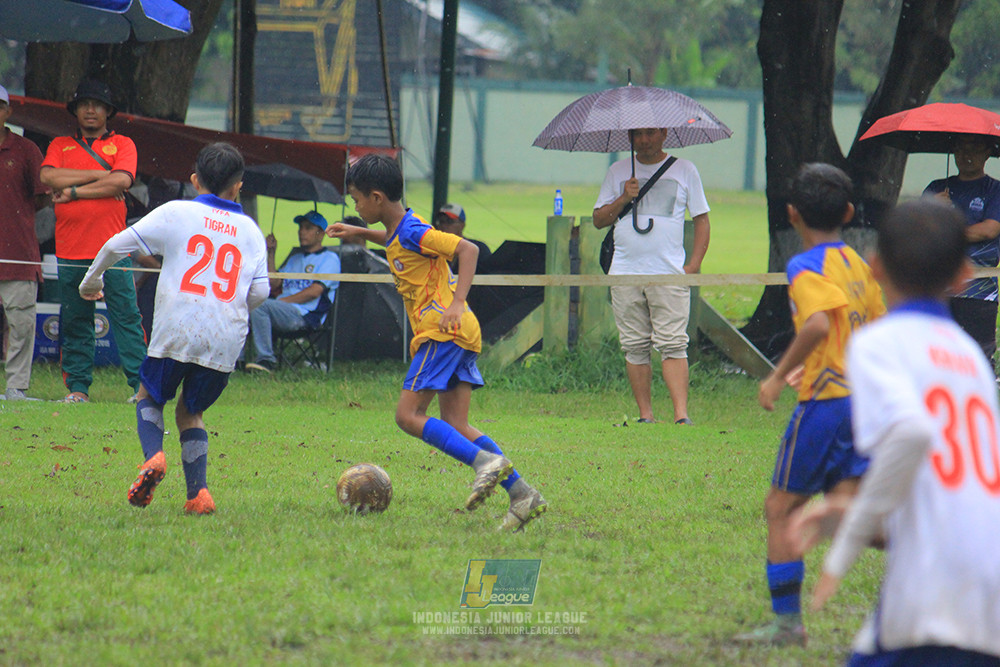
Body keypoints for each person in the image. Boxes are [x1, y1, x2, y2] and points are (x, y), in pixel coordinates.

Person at [792, 199, 1000, 666]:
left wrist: (840, 555)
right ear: (964, 275)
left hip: (934, 586)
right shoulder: (972, 359)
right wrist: (852, 515)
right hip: (988, 589)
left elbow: (911, 434)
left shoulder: (877, 344)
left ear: (876, 266)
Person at [326, 154, 547, 531]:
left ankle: (484, 464)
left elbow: (468, 250)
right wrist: (362, 233)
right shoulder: (402, 229)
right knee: (456, 423)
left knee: (407, 416)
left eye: (357, 200)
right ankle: (523, 493)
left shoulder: (413, 230)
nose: (356, 207)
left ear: (377, 198)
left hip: (442, 329)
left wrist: (458, 301)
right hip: (461, 331)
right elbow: (398, 240)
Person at [735, 163, 885, 646]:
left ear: (791, 213)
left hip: (826, 405)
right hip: (861, 401)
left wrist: (777, 377)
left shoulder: (804, 266)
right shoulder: (857, 263)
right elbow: (864, 328)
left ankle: (786, 625)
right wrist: (818, 360)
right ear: (846, 212)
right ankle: (942, 550)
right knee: (854, 511)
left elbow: (819, 324)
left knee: (781, 505)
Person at [78, 142, 269, 515]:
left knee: (149, 396)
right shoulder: (250, 230)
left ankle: (154, 457)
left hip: (177, 328)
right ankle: (198, 494)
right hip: (225, 340)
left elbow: (118, 244)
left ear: (195, 180)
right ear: (238, 186)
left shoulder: (176, 212)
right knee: (190, 413)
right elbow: (259, 292)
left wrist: (90, 281)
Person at [592, 128, 710, 425]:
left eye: (650, 133)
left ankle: (681, 415)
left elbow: (702, 219)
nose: (644, 140)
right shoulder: (618, 171)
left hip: (668, 272)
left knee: (672, 342)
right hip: (625, 271)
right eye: (637, 134)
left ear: (664, 133)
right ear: (629, 137)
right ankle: (646, 415)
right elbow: (598, 219)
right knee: (634, 344)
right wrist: (623, 198)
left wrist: (693, 265)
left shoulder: (684, 170)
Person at [39, 78, 147, 403]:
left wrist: (73, 192)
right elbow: (47, 177)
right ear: (75, 110)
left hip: (113, 248)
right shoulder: (60, 144)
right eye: (84, 103)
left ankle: (141, 389)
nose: (90, 109)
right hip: (70, 249)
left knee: (126, 316)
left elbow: (122, 182)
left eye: (97, 104)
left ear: (108, 111)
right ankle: (78, 390)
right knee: (74, 320)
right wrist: (102, 174)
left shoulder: (124, 144)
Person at [923, 136, 1000, 366]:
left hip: (980, 289)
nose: (967, 155)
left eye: (974, 149)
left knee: (978, 357)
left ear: (987, 153)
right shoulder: (937, 188)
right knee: (935, 354)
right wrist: (932, 207)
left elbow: (989, 230)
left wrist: (946, 229)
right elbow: (918, 229)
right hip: (938, 287)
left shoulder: (995, 190)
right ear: (953, 151)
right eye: (961, 149)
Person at [244, 209, 340, 372]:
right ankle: (238, 361)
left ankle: (266, 360)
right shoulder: (295, 259)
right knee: (245, 303)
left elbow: (314, 292)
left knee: (260, 305)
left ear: (321, 233)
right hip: (282, 310)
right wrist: (271, 253)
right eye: (301, 227)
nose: (302, 232)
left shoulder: (330, 259)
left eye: (308, 228)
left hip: (304, 316)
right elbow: (273, 284)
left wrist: (281, 302)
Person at [0, 84, 48, 401]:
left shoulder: (26, 149)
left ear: (8, 111)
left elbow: (42, 197)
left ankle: (16, 388)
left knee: (20, 324)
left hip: (18, 252)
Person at [434, 203, 491, 273]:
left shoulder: (480, 249)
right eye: (441, 222)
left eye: (449, 221)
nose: (444, 225)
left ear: (462, 225)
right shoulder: (433, 250)